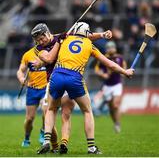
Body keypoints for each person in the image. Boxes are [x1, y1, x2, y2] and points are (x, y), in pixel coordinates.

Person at [36, 22, 134, 154]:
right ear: (86, 33)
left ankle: (47, 140)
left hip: (57, 75)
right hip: (75, 77)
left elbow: (51, 53)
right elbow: (110, 64)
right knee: (87, 111)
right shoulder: (90, 45)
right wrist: (125, 71)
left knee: (51, 109)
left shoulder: (64, 39)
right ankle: (91, 147)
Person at [17, 48, 47, 147]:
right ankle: (26, 138)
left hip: (46, 88)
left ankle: (43, 131)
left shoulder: (50, 52)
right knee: (29, 118)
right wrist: (21, 78)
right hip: (32, 90)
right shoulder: (28, 54)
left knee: (45, 111)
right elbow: (20, 71)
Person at [94, 41, 127, 133]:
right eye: (108, 48)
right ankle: (115, 122)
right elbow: (97, 70)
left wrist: (124, 73)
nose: (110, 49)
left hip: (117, 84)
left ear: (115, 48)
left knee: (116, 105)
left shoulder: (120, 58)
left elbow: (124, 66)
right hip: (107, 86)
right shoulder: (103, 58)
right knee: (111, 107)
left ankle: (118, 124)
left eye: (112, 47)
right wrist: (103, 74)